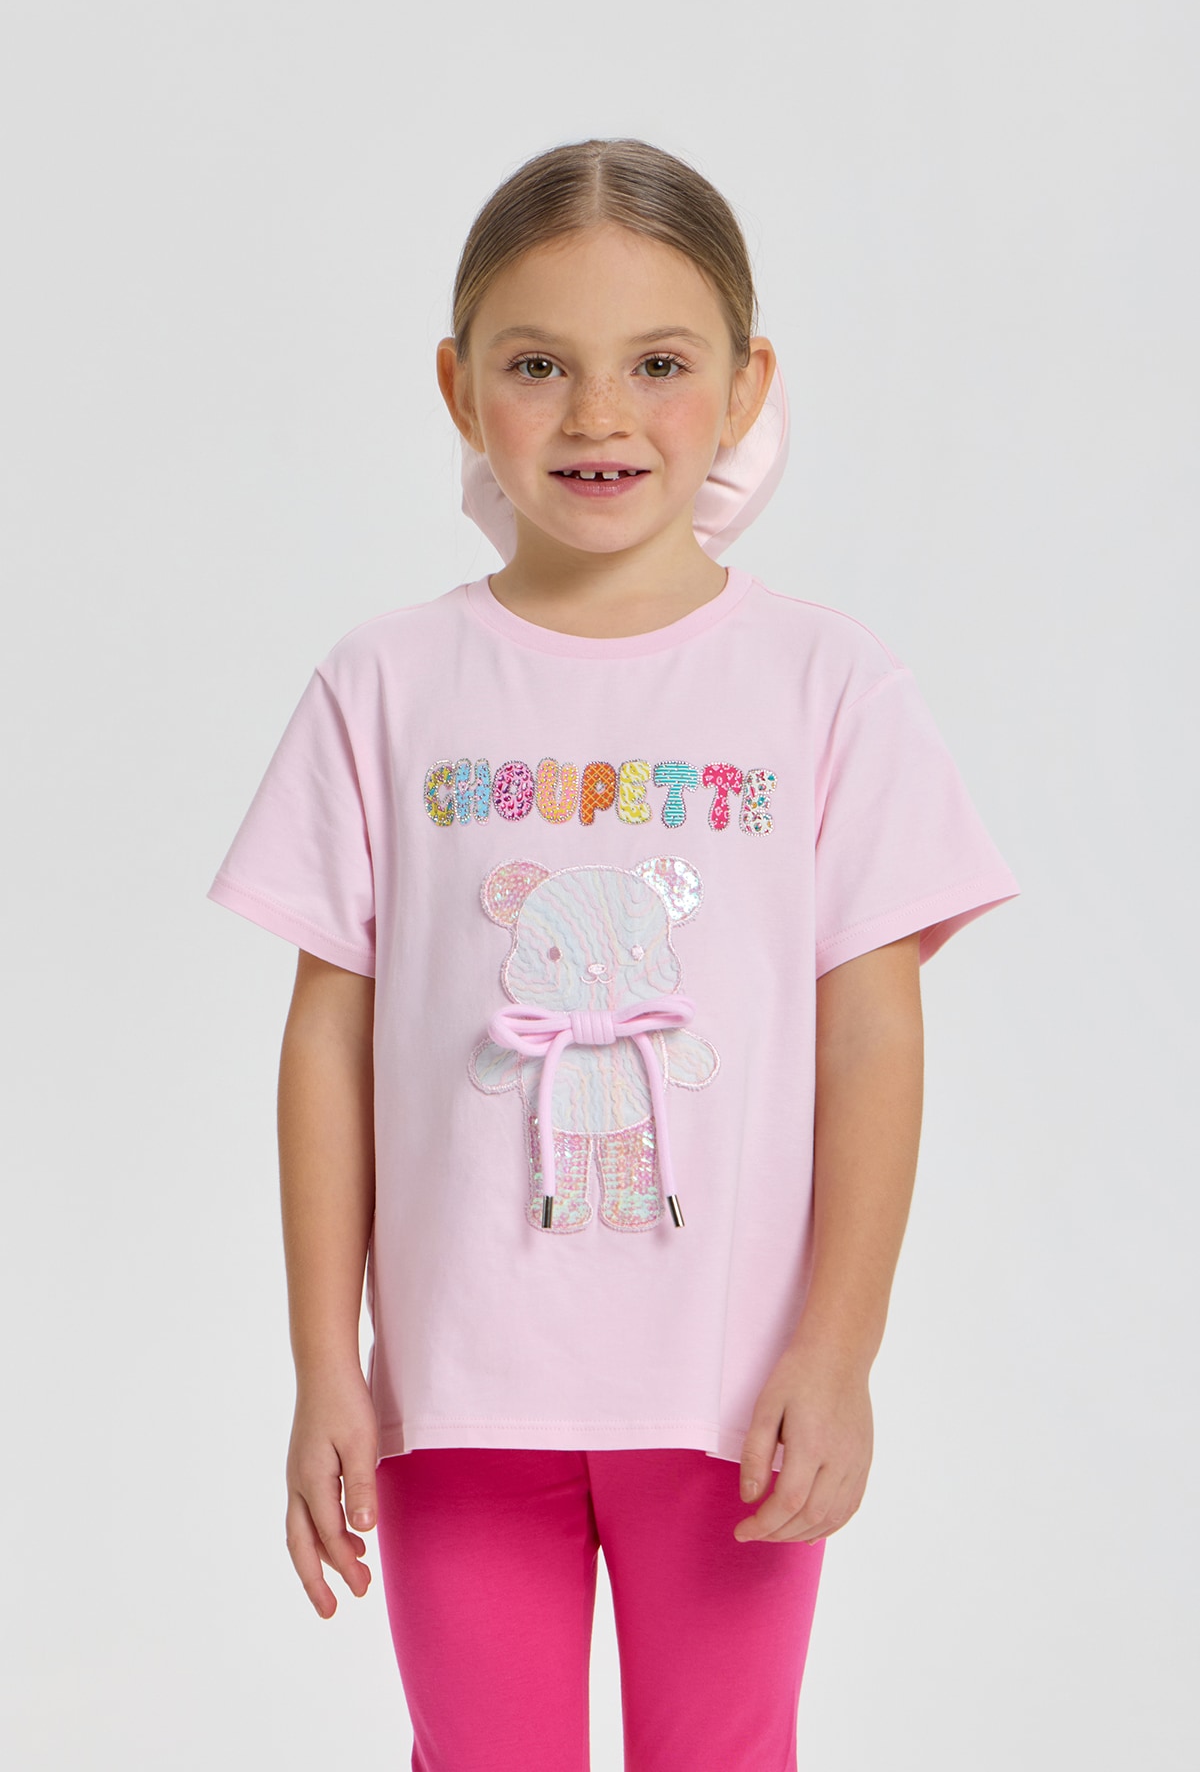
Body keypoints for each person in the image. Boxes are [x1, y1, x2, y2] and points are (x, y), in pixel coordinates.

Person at [206, 137, 1021, 1772]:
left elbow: (871, 1037)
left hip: (734, 1402)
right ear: (459, 386)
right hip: (457, 1396)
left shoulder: (828, 689)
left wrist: (839, 1353)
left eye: (657, 364)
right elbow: (329, 1042)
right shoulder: (385, 686)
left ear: (745, 384)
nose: (598, 415)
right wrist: (322, 1366)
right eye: (537, 366)